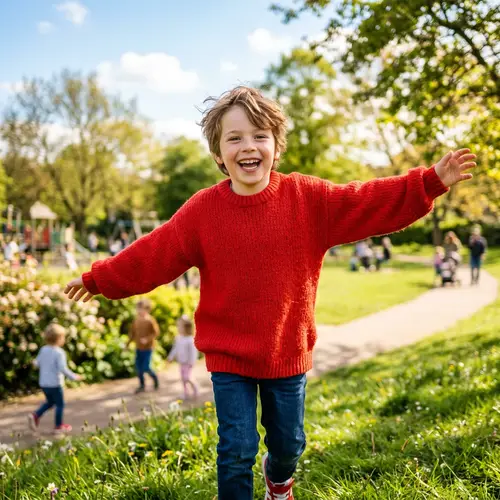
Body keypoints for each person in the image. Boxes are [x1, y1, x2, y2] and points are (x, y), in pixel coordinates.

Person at [63, 86, 476, 500]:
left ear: (276, 146)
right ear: (218, 154)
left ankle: (278, 480)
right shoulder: (202, 211)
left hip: (286, 351)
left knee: (288, 445)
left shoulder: (306, 198)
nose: (249, 146)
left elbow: (364, 201)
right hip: (229, 355)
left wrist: (428, 182)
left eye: (260, 135)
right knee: (235, 451)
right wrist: (99, 278)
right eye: (235, 137)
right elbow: (155, 252)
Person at [28, 323, 82, 434]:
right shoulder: (59, 353)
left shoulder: (43, 350)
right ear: (59, 338)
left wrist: (33, 363)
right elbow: (63, 368)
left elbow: (36, 363)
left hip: (44, 383)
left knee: (50, 402)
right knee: (60, 404)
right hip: (55, 384)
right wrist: (73, 376)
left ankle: (35, 415)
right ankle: (58, 426)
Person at [127, 298, 160, 393]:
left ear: (147, 309)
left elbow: (156, 333)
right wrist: (127, 344)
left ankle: (154, 377)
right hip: (138, 348)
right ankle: (142, 385)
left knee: (146, 367)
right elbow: (132, 333)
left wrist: (147, 339)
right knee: (138, 367)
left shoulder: (150, 320)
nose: (139, 311)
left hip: (148, 348)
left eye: (141, 309)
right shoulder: (136, 321)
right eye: (138, 309)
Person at [167, 314, 199, 400]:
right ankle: (186, 392)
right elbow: (175, 349)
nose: (178, 328)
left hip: (188, 363)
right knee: (183, 379)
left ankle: (195, 388)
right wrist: (170, 357)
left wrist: (192, 362)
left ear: (186, 328)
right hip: (181, 362)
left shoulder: (190, 339)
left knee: (187, 377)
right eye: (178, 326)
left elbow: (193, 352)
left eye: (180, 327)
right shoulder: (178, 338)